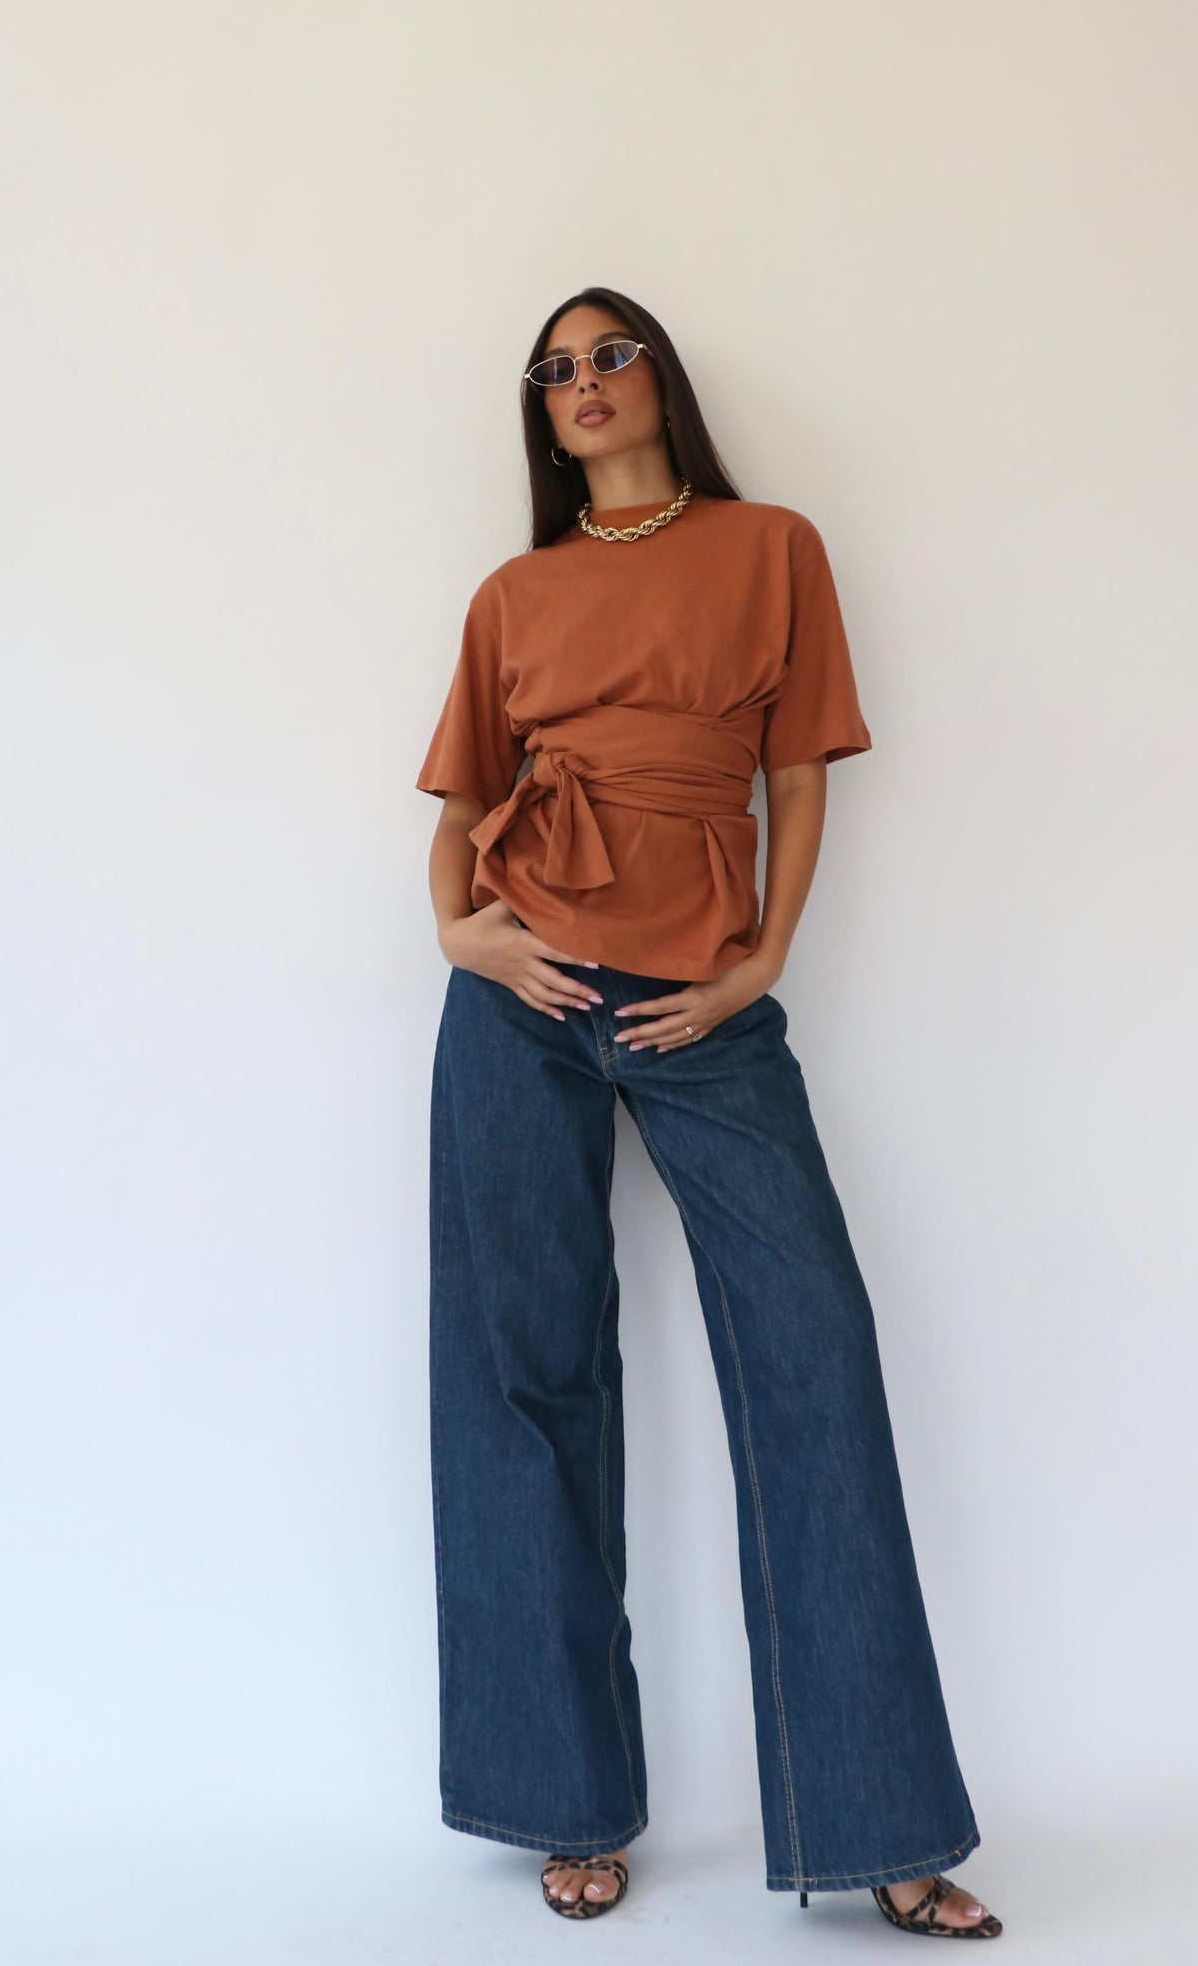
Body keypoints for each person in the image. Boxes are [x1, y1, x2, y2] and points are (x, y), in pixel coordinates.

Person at [415, 286, 1003, 1939]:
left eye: (609, 354)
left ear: (660, 379)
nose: (584, 382)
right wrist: (457, 933)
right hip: (518, 999)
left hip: (701, 1003)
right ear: (541, 414)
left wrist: (761, 966)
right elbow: (462, 807)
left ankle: (881, 1828)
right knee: (521, 1382)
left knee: (812, 1356)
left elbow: (795, 774)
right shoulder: (513, 593)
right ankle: (564, 1804)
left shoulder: (770, 549)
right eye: (555, 369)